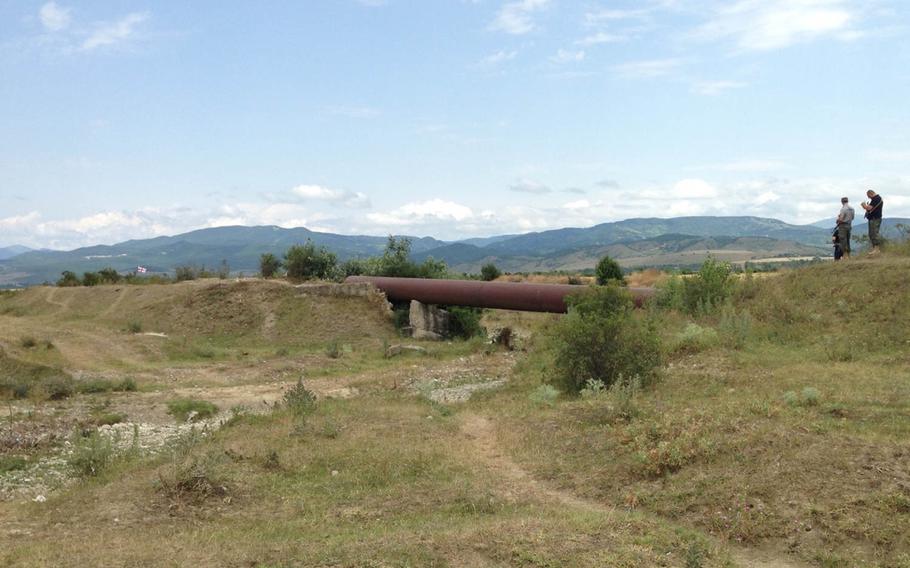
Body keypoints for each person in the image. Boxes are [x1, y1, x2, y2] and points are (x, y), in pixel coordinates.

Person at [861, 189, 884, 254]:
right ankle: (875, 248)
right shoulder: (875, 199)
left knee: (874, 233)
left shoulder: (876, 198)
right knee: (871, 234)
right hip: (873, 218)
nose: (868, 197)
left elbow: (869, 208)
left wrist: (864, 205)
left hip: (875, 219)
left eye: (868, 196)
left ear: (871, 194)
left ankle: (877, 249)